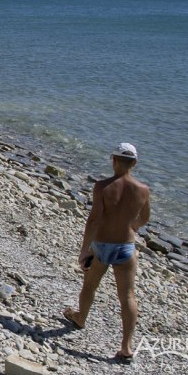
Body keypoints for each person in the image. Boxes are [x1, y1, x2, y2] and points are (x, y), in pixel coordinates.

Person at [63, 143, 150, 362]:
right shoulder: (143, 189)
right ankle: (126, 347)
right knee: (128, 296)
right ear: (135, 163)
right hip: (126, 247)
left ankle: (81, 317)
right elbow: (145, 217)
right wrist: (133, 227)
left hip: (102, 245)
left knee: (90, 285)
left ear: (113, 160)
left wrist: (84, 250)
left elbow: (94, 220)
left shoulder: (102, 187)